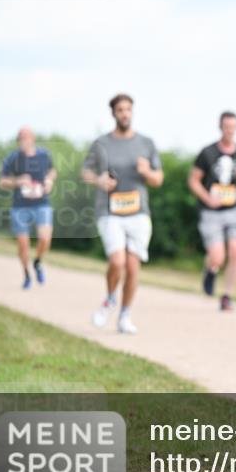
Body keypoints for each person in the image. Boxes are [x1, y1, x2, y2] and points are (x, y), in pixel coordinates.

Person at [82, 93, 164, 334]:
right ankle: (109, 299)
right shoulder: (101, 144)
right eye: (120, 110)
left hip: (138, 212)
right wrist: (98, 179)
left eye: (128, 109)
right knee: (117, 261)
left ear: (132, 112)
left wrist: (147, 172)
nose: (125, 114)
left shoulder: (146, 143)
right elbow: (85, 171)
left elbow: (158, 179)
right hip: (110, 211)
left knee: (133, 266)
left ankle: (125, 315)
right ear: (113, 113)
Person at [189, 111, 236, 311]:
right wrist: (206, 198)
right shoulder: (207, 153)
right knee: (218, 256)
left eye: (233, 127)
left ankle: (227, 296)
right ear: (221, 127)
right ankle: (211, 269)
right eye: (226, 127)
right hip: (212, 212)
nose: (230, 131)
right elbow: (193, 180)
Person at [0, 127, 57, 289]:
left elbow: (52, 171)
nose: (24, 141)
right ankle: (26, 275)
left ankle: (37, 262)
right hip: (20, 206)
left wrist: (49, 181)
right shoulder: (12, 158)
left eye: (27, 137)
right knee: (23, 244)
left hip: (42, 203)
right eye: (20, 138)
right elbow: (2, 182)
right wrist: (18, 181)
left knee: (45, 238)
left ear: (33, 138)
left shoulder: (44, 155)